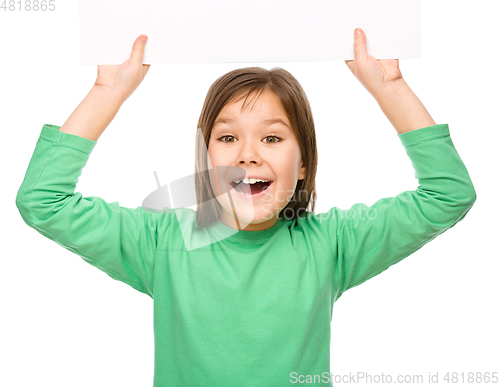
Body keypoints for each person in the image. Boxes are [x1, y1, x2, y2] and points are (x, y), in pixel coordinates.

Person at [15, 29, 476, 386]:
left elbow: (449, 194)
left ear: (302, 165)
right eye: (228, 137)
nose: (247, 154)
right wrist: (106, 91)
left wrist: (391, 88)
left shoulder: (331, 244)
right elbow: (42, 200)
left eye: (272, 138)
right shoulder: (162, 242)